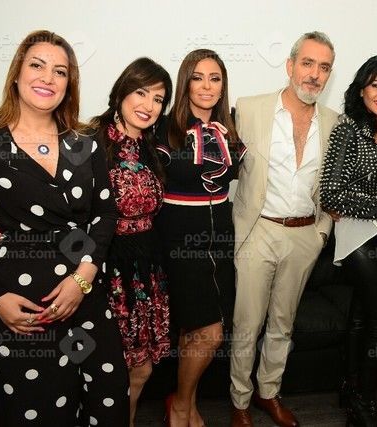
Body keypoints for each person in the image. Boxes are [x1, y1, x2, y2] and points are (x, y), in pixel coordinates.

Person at [0, 30, 128, 426]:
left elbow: (105, 215)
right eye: (37, 65)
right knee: (39, 412)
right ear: (17, 73)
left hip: (85, 299)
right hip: (21, 309)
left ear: (69, 83)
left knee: (108, 402)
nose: (48, 78)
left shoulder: (85, 142)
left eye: (60, 71)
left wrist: (83, 279)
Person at [229, 31, 338, 427]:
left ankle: (268, 392)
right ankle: (239, 401)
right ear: (290, 66)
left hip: (305, 236)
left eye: (324, 67)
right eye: (307, 63)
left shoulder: (335, 123)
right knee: (247, 324)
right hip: (258, 232)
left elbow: (333, 186)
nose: (315, 74)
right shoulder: (248, 109)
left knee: (283, 324)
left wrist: (320, 233)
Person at [155, 49, 245, 427]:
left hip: (221, 235)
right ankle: (180, 406)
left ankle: (186, 403)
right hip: (179, 237)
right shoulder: (163, 127)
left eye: (215, 78)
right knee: (207, 332)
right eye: (198, 77)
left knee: (198, 331)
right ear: (185, 83)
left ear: (223, 86)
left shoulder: (231, 128)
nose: (207, 86)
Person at [319, 55, 377, 427]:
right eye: (376, 85)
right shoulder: (348, 129)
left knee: (360, 317)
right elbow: (330, 193)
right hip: (357, 234)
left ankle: (349, 385)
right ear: (361, 89)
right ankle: (364, 404)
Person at [88, 57, 172, 426]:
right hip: (105, 271)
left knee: (141, 370)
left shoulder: (150, 146)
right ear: (122, 92)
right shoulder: (90, 141)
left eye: (158, 99)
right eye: (141, 92)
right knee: (110, 372)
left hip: (146, 271)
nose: (148, 105)